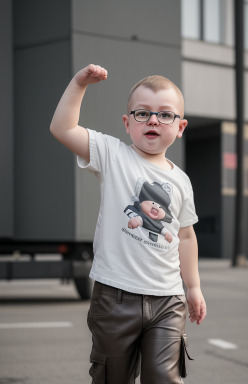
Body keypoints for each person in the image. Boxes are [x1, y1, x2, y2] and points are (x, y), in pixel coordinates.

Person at [50, 64, 207, 384]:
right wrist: (79, 83)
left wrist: (194, 287)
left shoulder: (182, 181)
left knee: (165, 378)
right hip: (114, 298)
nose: (153, 119)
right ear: (127, 123)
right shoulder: (112, 155)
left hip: (168, 300)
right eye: (142, 113)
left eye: (165, 114)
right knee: (112, 377)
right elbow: (62, 129)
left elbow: (186, 237)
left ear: (180, 127)